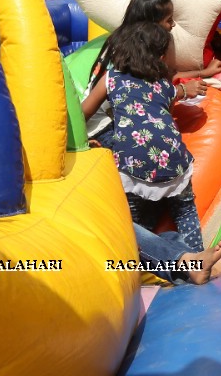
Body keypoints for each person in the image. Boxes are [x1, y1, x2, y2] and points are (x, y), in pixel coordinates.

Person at [82, 22, 205, 253]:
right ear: (160, 57)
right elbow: (163, 121)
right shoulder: (164, 85)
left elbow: (83, 114)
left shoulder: (111, 77)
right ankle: (197, 256)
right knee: (185, 209)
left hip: (133, 161)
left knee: (131, 223)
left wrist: (78, 142)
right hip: (174, 159)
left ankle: (134, 259)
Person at [87, 0, 221, 144]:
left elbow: (162, 76)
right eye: (169, 20)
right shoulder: (131, 52)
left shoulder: (121, 41)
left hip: (99, 120)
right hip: (105, 127)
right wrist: (182, 91)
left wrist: (203, 72)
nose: (173, 24)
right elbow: (146, 91)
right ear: (152, 24)